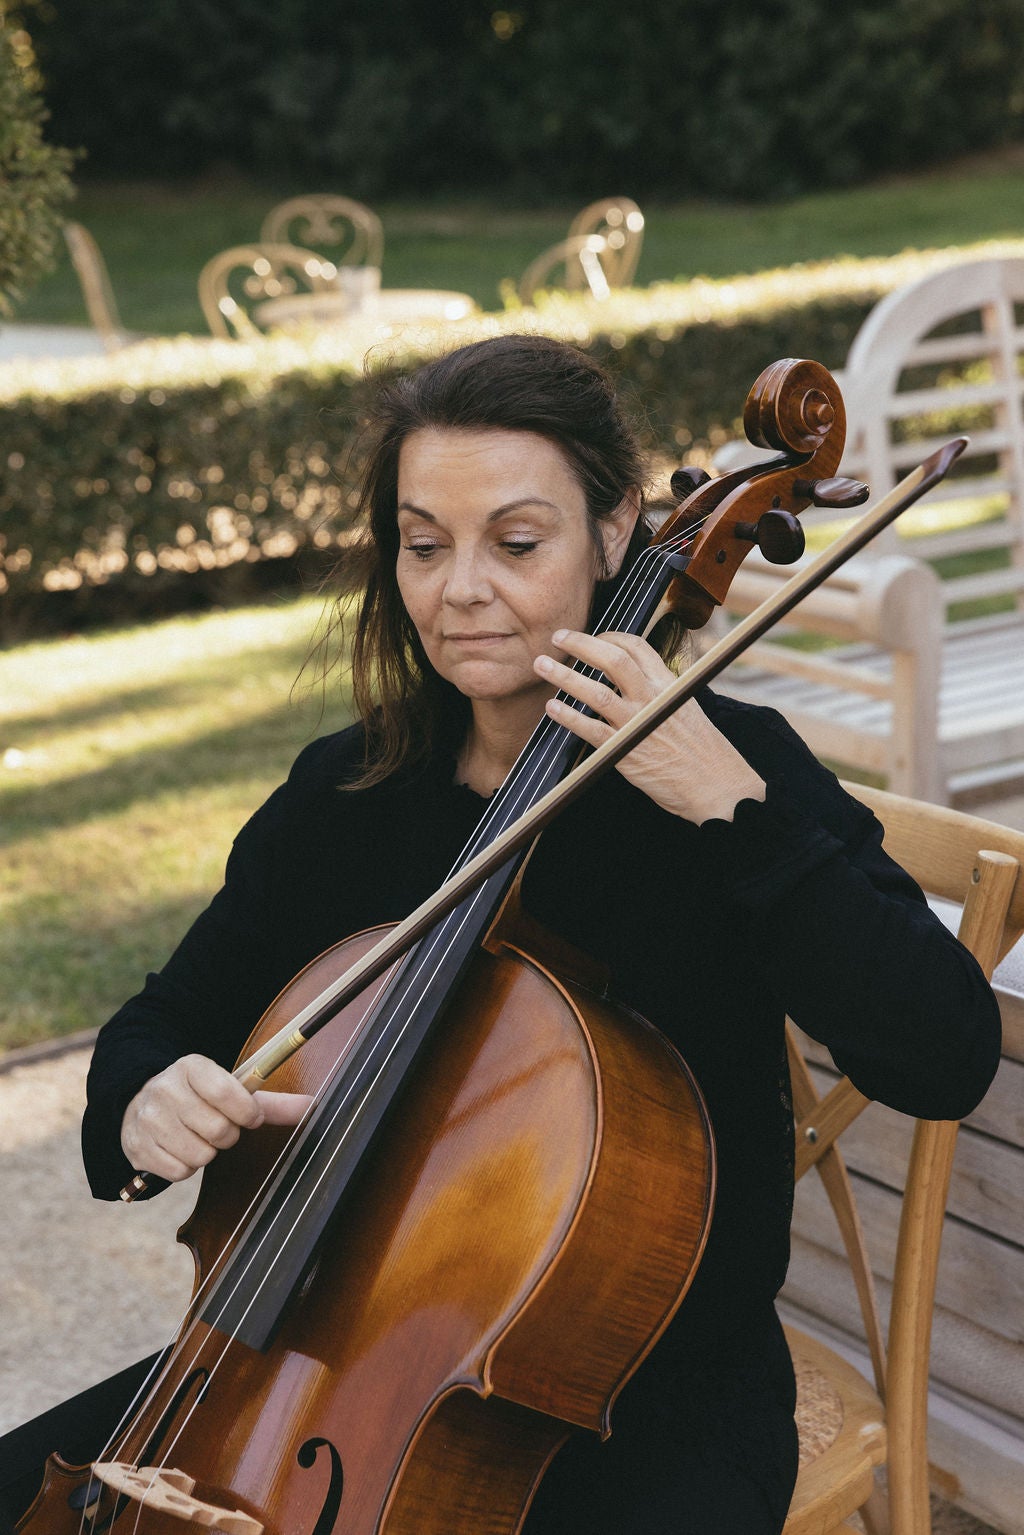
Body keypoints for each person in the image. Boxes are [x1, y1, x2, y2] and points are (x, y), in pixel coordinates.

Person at [3, 334, 1001, 1535]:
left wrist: (731, 809)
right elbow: (161, 1022)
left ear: (615, 531)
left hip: (641, 1409)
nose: (459, 588)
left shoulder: (734, 779)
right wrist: (146, 1096)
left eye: (516, 543)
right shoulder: (349, 792)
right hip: (298, 1365)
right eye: (423, 544)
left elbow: (940, 1050)